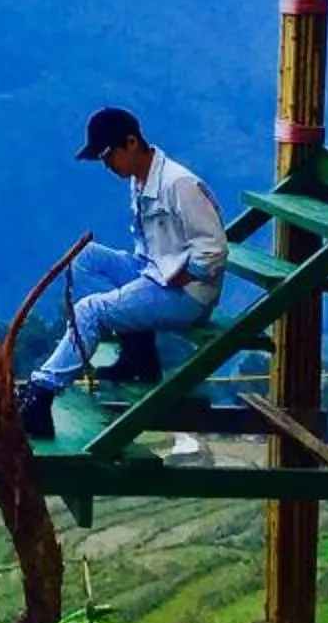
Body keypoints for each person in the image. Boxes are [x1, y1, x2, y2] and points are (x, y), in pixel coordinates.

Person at [14, 105, 225, 441]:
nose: (107, 165)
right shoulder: (140, 180)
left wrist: (186, 276)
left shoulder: (179, 184)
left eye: (108, 155)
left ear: (131, 143)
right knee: (83, 257)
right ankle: (137, 351)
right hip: (153, 271)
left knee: (91, 310)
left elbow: (213, 247)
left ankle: (41, 393)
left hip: (184, 293)